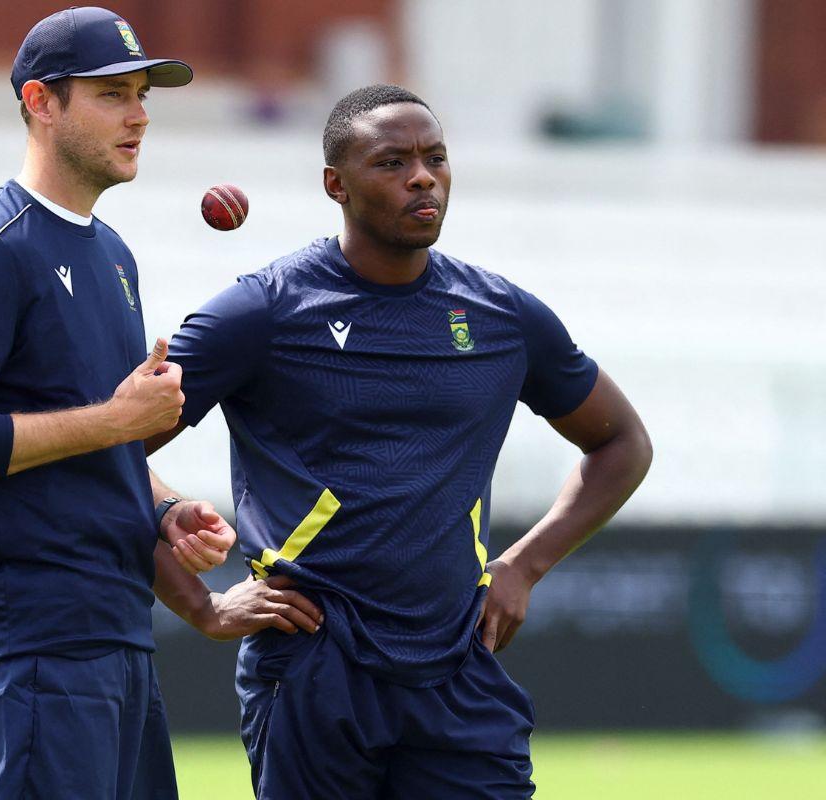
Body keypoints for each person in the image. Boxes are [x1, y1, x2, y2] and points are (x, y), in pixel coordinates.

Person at [151, 84, 654, 798]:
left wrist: (525, 565)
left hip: (459, 669)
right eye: (392, 162)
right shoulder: (262, 310)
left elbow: (623, 443)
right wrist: (200, 606)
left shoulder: (499, 314)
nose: (423, 176)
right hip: (313, 670)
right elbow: (106, 448)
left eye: (435, 158)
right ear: (337, 185)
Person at [0, 8, 255, 798]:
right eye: (113, 94)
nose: (140, 114)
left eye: (143, 95)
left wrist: (159, 506)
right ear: (41, 102)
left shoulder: (112, 253)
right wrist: (121, 423)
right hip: (33, 639)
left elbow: (85, 431)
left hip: (114, 630)